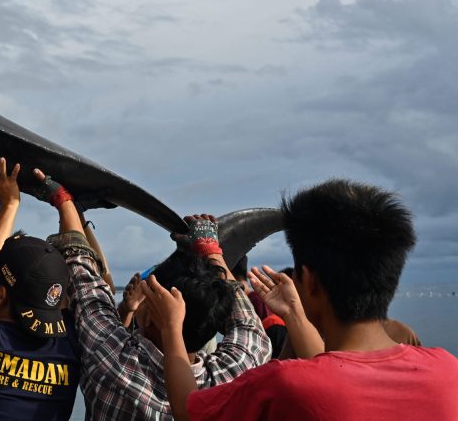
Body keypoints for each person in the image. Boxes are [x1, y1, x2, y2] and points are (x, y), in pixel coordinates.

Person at [148, 179, 458, 421]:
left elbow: (190, 411)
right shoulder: (448, 372)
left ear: (308, 282)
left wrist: (172, 329)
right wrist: (295, 313)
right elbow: (333, 366)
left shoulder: (286, 386)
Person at [40, 171, 271, 420]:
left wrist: (65, 203)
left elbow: (87, 286)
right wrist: (211, 251)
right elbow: (249, 327)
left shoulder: (116, 362)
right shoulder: (229, 378)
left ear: (151, 318)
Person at [0, 159, 80, 420]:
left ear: (0, 295)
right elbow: (81, 263)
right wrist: (66, 202)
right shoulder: (69, 347)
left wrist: (10, 204)